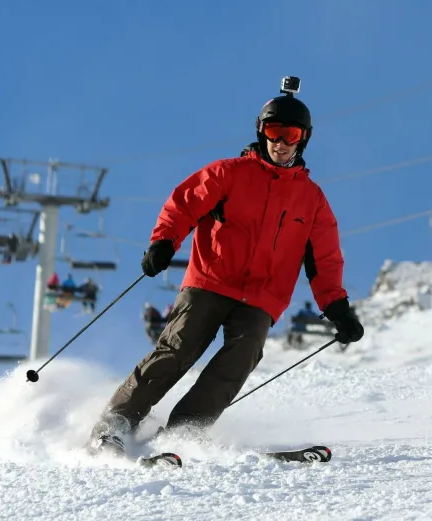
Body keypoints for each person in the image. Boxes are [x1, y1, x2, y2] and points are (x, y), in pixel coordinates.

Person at [86, 79, 364, 456]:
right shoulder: (229, 173)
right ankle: (115, 424)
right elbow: (182, 204)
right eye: (273, 132)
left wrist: (336, 307)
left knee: (242, 356)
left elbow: (325, 259)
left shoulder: (312, 201)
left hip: (262, 297)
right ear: (261, 132)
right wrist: (164, 241)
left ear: (303, 139)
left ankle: (182, 434)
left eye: (291, 134)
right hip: (211, 281)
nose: (281, 142)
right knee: (178, 348)